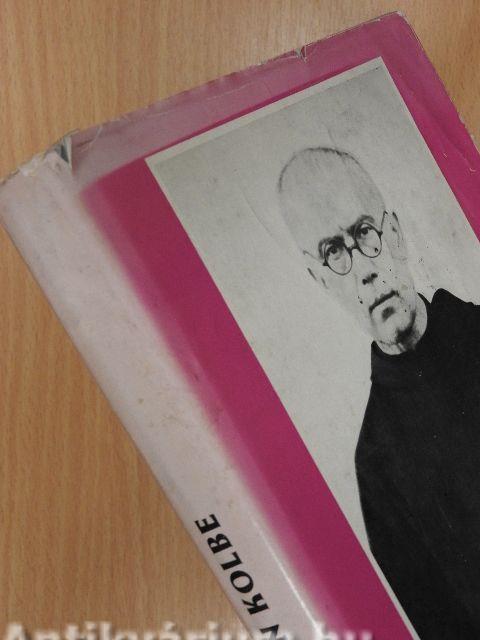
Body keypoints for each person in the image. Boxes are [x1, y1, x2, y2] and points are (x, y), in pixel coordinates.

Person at [277, 146, 480, 639]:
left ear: (395, 236)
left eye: (364, 233)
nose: (363, 271)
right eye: (333, 252)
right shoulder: (376, 464)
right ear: (320, 280)